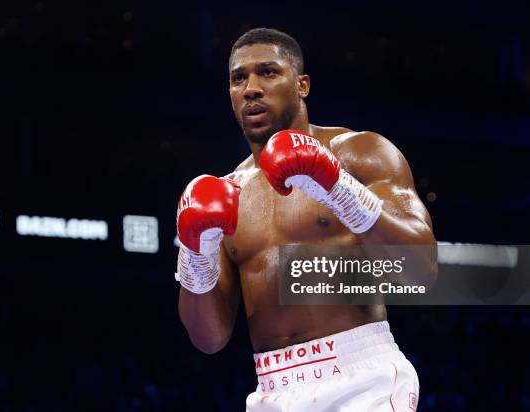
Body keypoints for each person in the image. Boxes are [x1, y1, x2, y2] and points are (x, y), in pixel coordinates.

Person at [175, 27, 436, 411]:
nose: (251, 88)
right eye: (238, 78)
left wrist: (337, 187)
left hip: (364, 379)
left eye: (267, 72)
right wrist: (195, 255)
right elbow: (208, 339)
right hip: (272, 391)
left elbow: (422, 271)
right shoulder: (224, 197)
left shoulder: (361, 153)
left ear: (302, 85)